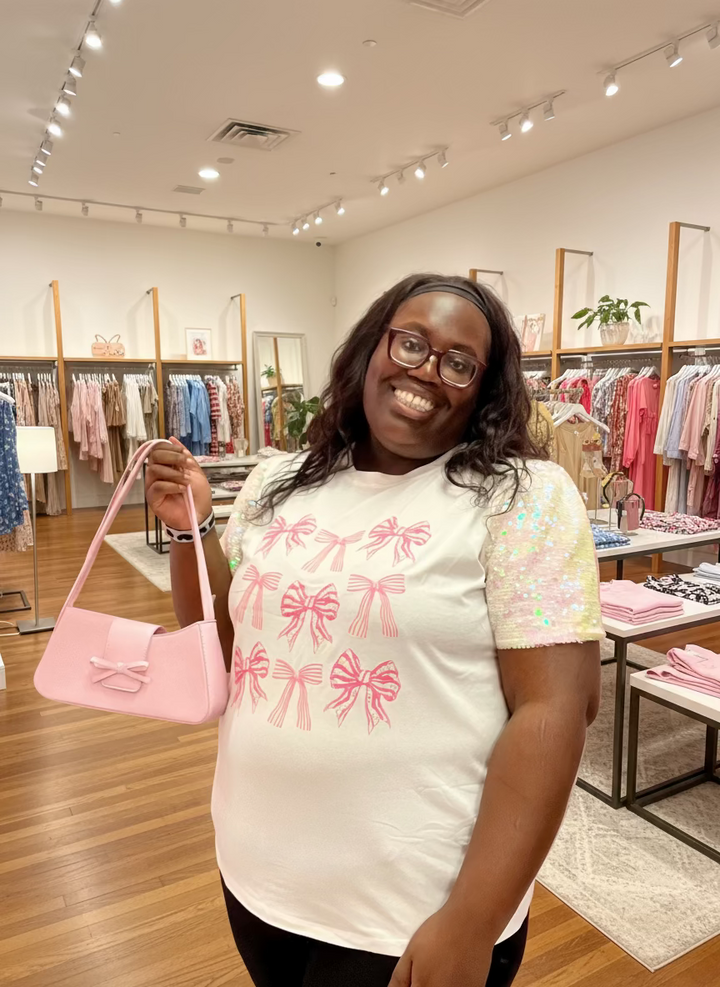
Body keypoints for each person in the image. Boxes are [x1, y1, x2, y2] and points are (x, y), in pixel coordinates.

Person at [145, 273, 603, 987]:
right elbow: (230, 654)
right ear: (372, 348)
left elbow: (554, 712)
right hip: (257, 874)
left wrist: (474, 921)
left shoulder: (522, 498)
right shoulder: (279, 481)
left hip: (410, 912)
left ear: (482, 390)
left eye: (459, 362)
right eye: (411, 342)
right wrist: (190, 531)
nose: (426, 370)